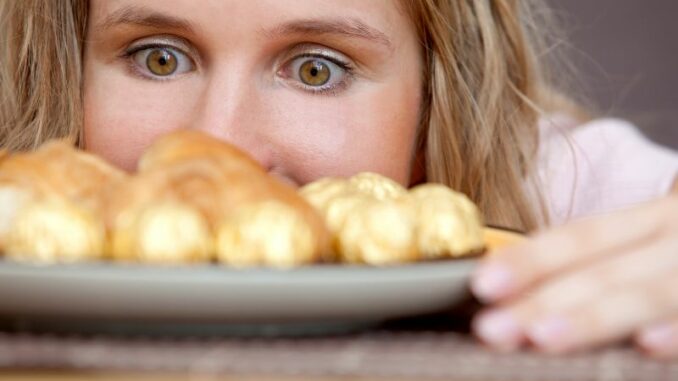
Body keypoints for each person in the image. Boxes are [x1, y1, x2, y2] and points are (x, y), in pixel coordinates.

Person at [1, 0, 676, 357]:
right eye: (158, 58)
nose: (219, 144)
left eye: (316, 68)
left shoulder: (555, 186)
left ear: (439, 97)